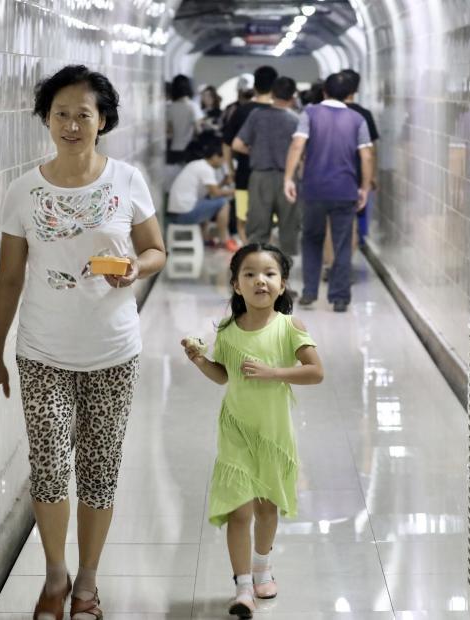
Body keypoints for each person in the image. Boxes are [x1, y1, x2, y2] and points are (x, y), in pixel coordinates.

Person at [0, 64, 166, 620]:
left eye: (83, 114)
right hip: (42, 352)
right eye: (61, 114)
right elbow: (9, 278)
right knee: (50, 465)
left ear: (102, 120)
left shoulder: (127, 180)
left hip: (113, 351)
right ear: (46, 120)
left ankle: (88, 582)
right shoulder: (24, 191)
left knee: (101, 469)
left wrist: (134, 267)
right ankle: (56, 574)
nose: (72, 124)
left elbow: (156, 250)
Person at [180, 243, 323, 619]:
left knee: (267, 508)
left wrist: (275, 372)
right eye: (250, 274)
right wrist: (199, 360)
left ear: (283, 284)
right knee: (238, 511)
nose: (260, 280)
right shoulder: (227, 331)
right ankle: (243, 585)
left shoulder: (290, 327)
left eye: (269, 274)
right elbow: (222, 376)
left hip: (274, 435)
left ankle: (262, 566)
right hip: (236, 431)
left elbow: (315, 371)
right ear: (236, 285)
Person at [283, 72, 373, 313]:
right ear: (351, 95)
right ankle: (340, 297)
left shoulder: (309, 114)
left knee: (312, 239)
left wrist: (288, 178)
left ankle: (309, 292)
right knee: (342, 243)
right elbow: (366, 155)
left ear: (324, 91)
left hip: (314, 190)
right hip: (345, 190)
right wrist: (364, 187)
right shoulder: (357, 119)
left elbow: (297, 145)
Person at [322, 68, 380, 280]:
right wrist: (371, 177)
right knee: (351, 224)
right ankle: (343, 267)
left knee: (329, 224)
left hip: (326, 175)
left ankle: (330, 265)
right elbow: (370, 150)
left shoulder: (322, 112)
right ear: (355, 90)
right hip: (354, 176)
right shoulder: (363, 114)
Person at [231, 76, 300, 255]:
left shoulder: (257, 115)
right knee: (289, 227)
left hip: (260, 177)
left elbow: (237, 144)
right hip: (288, 178)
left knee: (257, 227)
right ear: (293, 96)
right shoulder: (296, 120)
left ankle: (257, 268)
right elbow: (302, 152)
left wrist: (257, 152)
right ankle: (284, 271)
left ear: (272, 94)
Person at [222, 66, 278, 245]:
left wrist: (230, 169)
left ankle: (247, 255)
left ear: (255, 86)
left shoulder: (242, 111)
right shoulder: (281, 113)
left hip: (245, 172)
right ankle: (266, 253)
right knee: (268, 220)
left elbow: (228, 143)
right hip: (272, 174)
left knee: (242, 218)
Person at [167, 137, 239, 251]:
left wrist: (223, 183)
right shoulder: (206, 169)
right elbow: (215, 193)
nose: (223, 164)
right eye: (222, 160)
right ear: (215, 156)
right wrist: (235, 192)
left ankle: (205, 240)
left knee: (208, 204)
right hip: (184, 214)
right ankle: (225, 240)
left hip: (177, 213)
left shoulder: (198, 164)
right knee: (224, 203)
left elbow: (211, 193)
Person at [166, 74, 203, 164]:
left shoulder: (170, 108)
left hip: (174, 148)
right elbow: (198, 130)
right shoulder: (193, 106)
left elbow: (169, 131)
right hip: (190, 149)